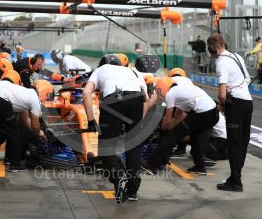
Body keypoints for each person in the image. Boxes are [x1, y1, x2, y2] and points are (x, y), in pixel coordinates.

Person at [83, 53, 148, 204]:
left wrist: (91, 121)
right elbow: (145, 97)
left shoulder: (99, 70)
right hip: (137, 99)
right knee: (134, 146)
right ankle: (132, 191)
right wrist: (140, 122)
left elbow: (86, 93)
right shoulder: (132, 71)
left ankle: (119, 176)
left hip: (114, 99)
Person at [0, 70, 46, 172]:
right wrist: (39, 133)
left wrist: (36, 131)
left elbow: (25, 119)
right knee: (14, 133)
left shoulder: (19, 93)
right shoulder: (35, 99)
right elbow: (35, 126)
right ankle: (15, 164)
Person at [207, 34, 253, 192]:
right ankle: (235, 177)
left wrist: (222, 105)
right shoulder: (237, 57)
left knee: (233, 143)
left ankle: (235, 182)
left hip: (236, 104)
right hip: (248, 102)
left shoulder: (221, 63)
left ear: (212, 48)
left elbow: (221, 94)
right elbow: (247, 80)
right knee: (242, 142)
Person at [146, 77, 219, 175]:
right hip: (213, 114)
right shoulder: (182, 92)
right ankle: (200, 166)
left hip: (203, 113)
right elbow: (177, 116)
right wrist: (170, 128)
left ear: (160, 89)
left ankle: (152, 164)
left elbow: (168, 119)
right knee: (195, 137)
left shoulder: (171, 94)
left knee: (173, 136)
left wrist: (163, 130)